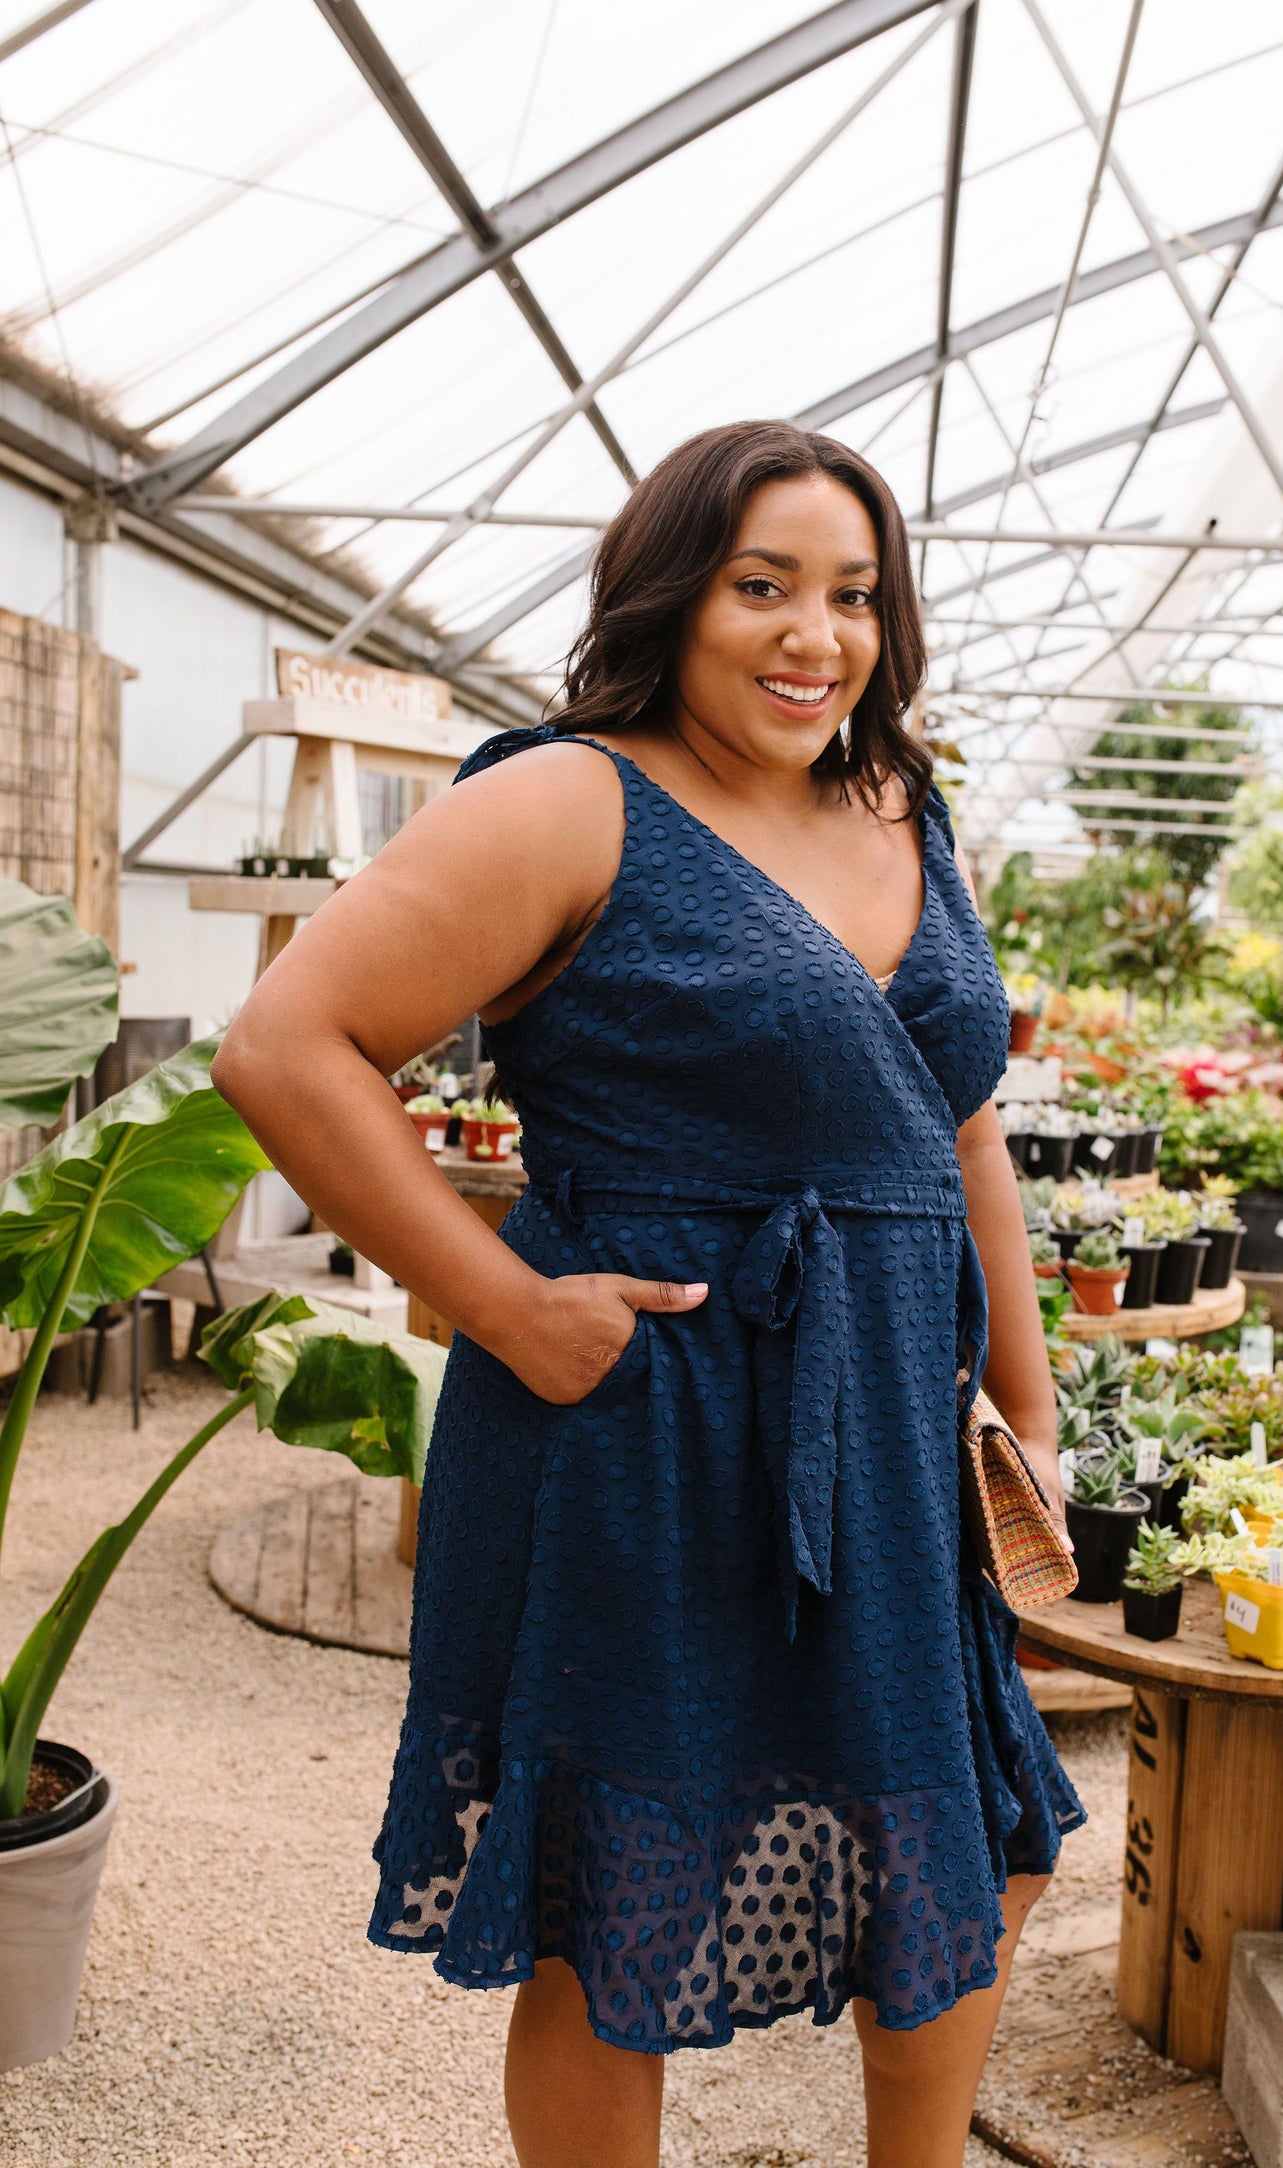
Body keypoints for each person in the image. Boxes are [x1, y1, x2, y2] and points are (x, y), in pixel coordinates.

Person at [214, 419, 1082, 2168]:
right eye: (762, 586)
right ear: (677, 595)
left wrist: (1026, 1409)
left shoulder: (899, 803)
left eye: (850, 596)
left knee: (969, 1839)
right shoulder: (567, 797)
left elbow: (964, 1128)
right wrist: (508, 1307)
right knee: (624, 1890)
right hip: (649, 1423)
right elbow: (284, 1046)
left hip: (897, 1428)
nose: (810, 636)